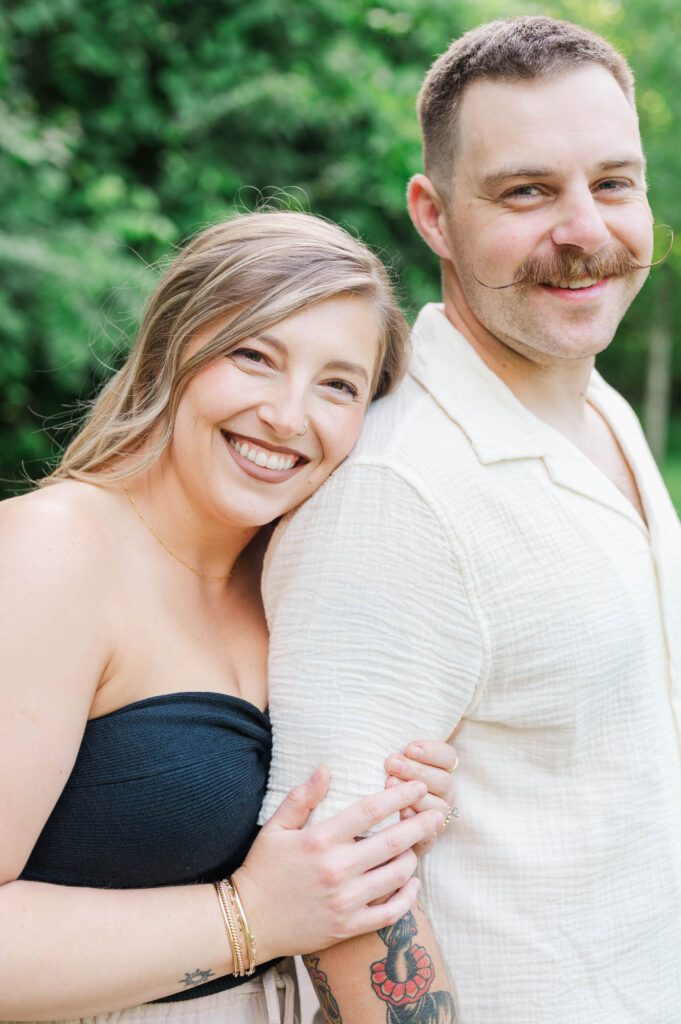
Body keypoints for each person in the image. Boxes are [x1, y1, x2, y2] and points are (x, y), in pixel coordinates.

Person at [258, 17, 681, 1024]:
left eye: (614, 183)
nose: (585, 229)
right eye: (527, 191)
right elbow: (340, 887)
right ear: (434, 214)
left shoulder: (604, 409)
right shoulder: (397, 492)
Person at [0, 210, 461, 1024]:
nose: (288, 416)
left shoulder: (296, 582)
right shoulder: (53, 550)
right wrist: (248, 915)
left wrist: (390, 812)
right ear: (173, 348)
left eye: (338, 386)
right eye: (254, 356)